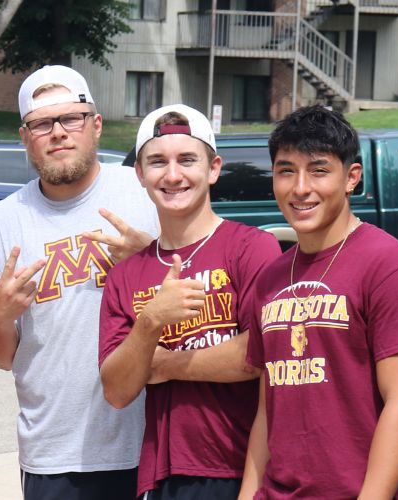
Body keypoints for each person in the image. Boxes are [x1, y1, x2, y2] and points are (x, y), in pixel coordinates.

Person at [0, 65, 159, 500]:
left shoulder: (146, 191)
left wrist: (145, 262)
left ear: (95, 126)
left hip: (151, 438)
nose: (58, 132)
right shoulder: (1, 222)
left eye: (70, 119)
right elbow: (2, 356)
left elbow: (200, 296)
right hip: (54, 450)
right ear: (26, 138)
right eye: (42, 124)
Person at [238, 105, 398, 500]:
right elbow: (266, 412)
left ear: (352, 178)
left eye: (319, 170)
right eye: (286, 170)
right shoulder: (271, 278)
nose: (300, 188)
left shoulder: (391, 267)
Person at [97, 105, 277, 499]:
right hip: (163, 474)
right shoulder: (127, 275)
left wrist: (162, 363)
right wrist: (149, 323)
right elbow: (116, 389)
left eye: (187, 160)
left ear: (213, 169)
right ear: (140, 175)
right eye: (158, 162)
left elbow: (259, 354)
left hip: (246, 468)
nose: (173, 175)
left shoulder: (251, 248)